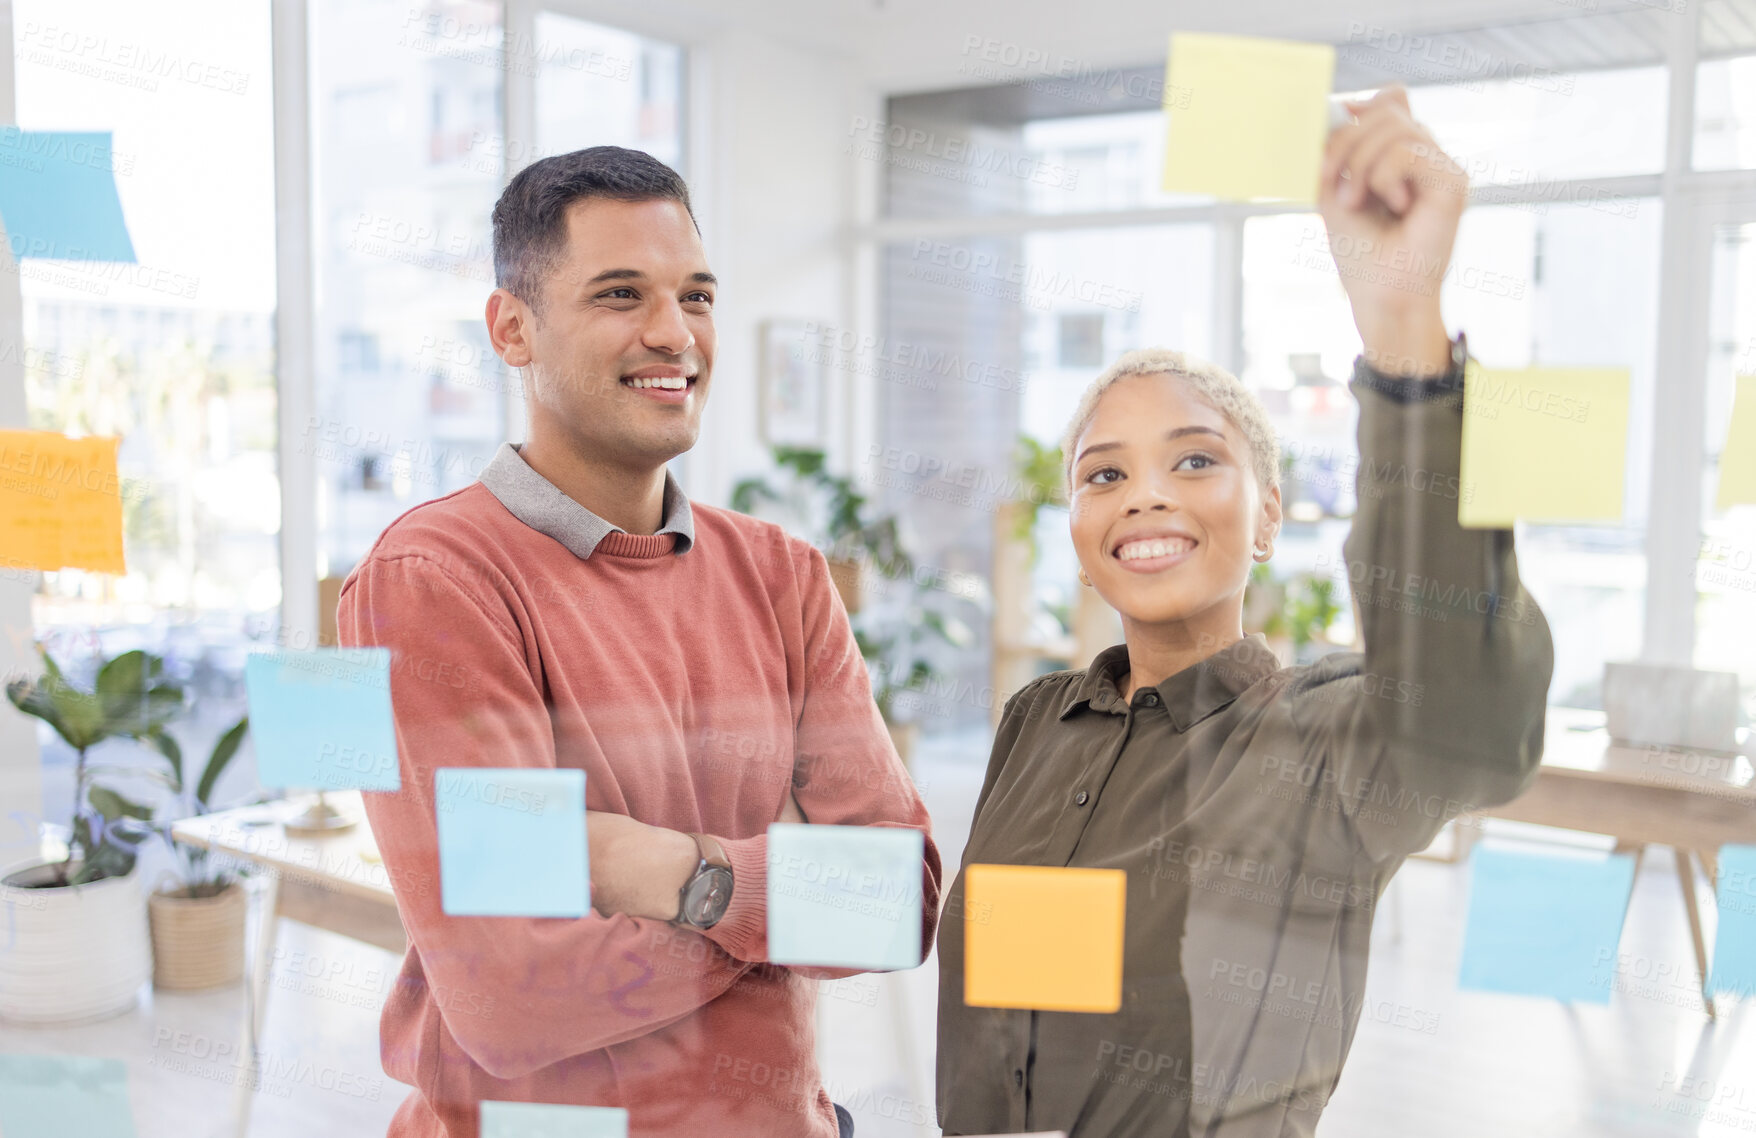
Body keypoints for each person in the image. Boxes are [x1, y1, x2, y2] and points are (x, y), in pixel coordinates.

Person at [935, 86, 1553, 1137]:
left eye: (1193, 460)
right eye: (1102, 475)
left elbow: (1472, 726)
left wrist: (1403, 329)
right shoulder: (1037, 719)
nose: (1146, 493)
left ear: (1265, 515)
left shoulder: (1325, 738)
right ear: (1080, 538)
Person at [338, 146, 939, 1138]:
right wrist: (778, 903)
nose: (674, 334)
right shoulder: (435, 579)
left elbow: (899, 904)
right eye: (621, 294)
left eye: (695, 296)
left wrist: (671, 875)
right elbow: (512, 994)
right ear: (512, 328)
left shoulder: (782, 574)